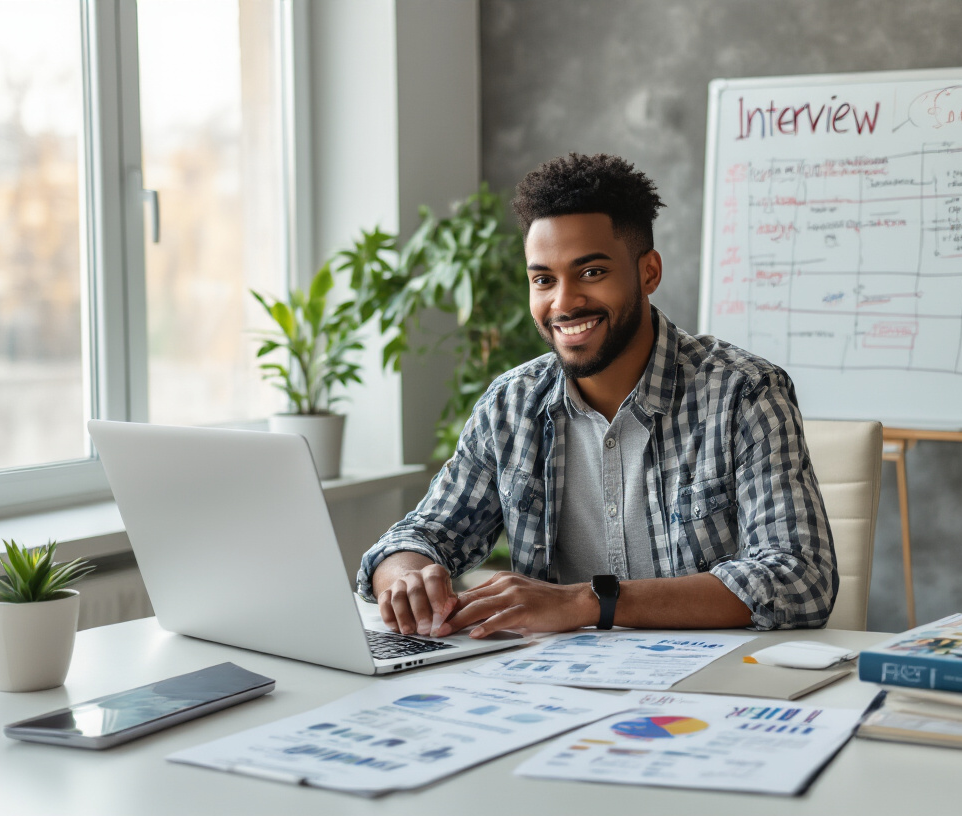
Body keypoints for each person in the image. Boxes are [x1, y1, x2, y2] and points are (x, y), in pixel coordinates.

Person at [357, 153, 837, 639]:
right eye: (543, 279)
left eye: (591, 273)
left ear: (648, 272)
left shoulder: (743, 392)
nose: (562, 303)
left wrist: (587, 602)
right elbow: (420, 534)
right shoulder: (511, 406)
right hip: (558, 689)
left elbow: (800, 578)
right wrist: (406, 577)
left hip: (708, 690)